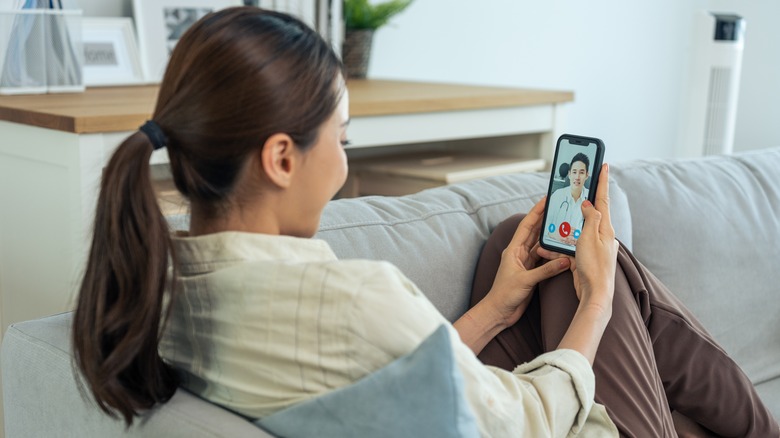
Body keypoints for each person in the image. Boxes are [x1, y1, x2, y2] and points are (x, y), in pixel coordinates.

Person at [71, 6, 779, 437]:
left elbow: (385, 377)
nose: (343, 165)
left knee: (515, 243)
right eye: (341, 142)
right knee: (606, 267)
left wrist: (497, 309)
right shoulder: (348, 300)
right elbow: (525, 420)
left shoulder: (165, 288)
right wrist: (596, 305)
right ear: (282, 157)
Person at [545, 153, 591, 246]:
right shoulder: (557, 195)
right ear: (569, 174)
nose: (577, 177)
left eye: (581, 172)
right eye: (574, 172)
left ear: (586, 175)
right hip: (555, 246)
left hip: (578, 251)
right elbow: (544, 226)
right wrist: (554, 234)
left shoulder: (591, 199)